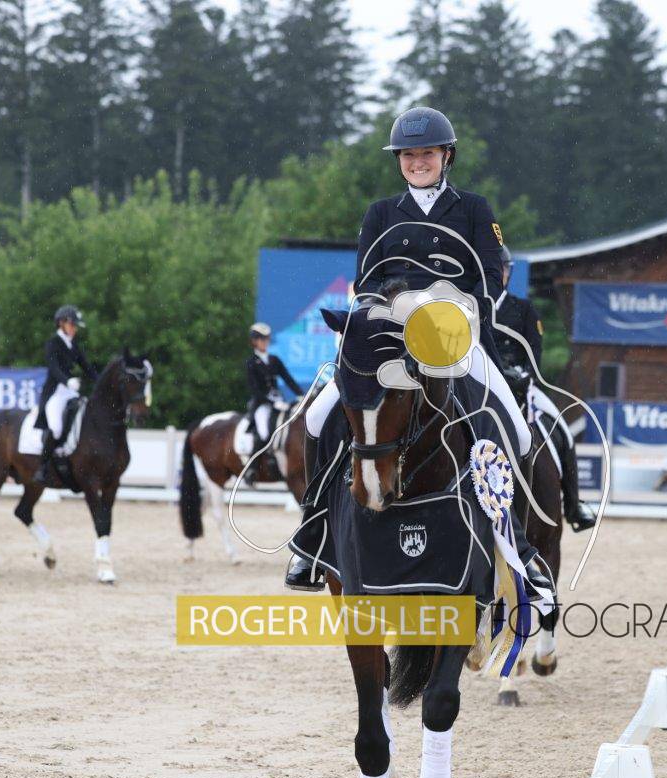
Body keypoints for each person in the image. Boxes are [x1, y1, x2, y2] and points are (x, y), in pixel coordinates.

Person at [286, 106, 537, 591]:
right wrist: (390, 312)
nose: (417, 162)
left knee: (520, 434)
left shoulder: (474, 209)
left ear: (447, 156)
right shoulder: (380, 213)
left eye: (427, 154)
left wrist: (456, 311)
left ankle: (516, 547)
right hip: (390, 339)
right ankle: (313, 534)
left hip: (454, 339)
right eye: (408, 155)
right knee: (317, 417)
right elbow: (366, 282)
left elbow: (489, 277)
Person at [493, 244, 596, 532]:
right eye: (494, 269)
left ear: (508, 272)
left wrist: (526, 374)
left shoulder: (523, 309)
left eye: (503, 269)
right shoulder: (473, 308)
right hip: (487, 384)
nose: (499, 274)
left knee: (563, 431)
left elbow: (534, 350)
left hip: (519, 385)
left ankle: (574, 506)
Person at [34, 305, 98, 484]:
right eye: (72, 325)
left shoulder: (73, 345)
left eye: (76, 326)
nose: (74, 329)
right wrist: (67, 380)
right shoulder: (53, 343)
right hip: (55, 392)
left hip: (70, 391)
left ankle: (67, 451)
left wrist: (100, 381)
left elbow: (87, 367)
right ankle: (42, 467)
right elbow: (53, 367)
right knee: (55, 427)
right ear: (61, 323)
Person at [245, 323, 303, 457]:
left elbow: (288, 379)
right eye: (261, 339)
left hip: (279, 401)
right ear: (254, 341)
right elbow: (255, 390)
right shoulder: (251, 362)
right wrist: (272, 403)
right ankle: (254, 464)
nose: (265, 342)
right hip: (262, 404)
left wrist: (300, 394)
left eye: (266, 338)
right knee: (264, 432)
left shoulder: (274, 360)